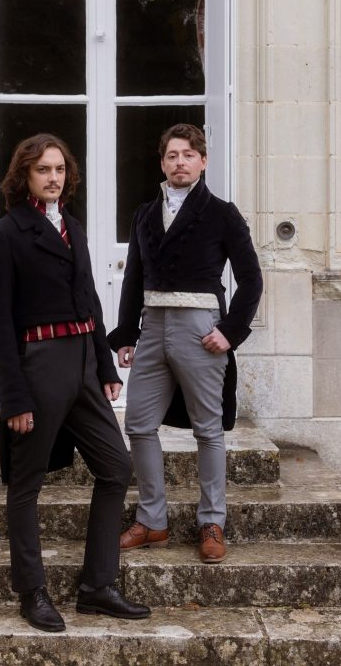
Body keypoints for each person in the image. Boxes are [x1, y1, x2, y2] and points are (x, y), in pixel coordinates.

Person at [0, 133, 150, 632]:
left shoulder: (73, 226)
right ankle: (32, 592)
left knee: (116, 467)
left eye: (59, 169)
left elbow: (89, 299)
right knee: (26, 483)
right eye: (42, 170)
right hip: (39, 366)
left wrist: (105, 367)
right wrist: (13, 395)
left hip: (83, 366)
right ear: (23, 176)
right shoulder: (3, 235)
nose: (53, 177)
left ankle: (97, 586)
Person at [108, 123, 263, 564]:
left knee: (208, 430)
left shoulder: (222, 213)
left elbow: (251, 279)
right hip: (152, 325)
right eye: (172, 155)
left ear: (203, 161)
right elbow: (133, 278)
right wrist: (125, 333)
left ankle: (212, 522)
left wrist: (230, 331)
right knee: (139, 424)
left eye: (188, 155)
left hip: (201, 328)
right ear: (162, 163)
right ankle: (152, 519)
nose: (180, 162)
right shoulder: (144, 214)